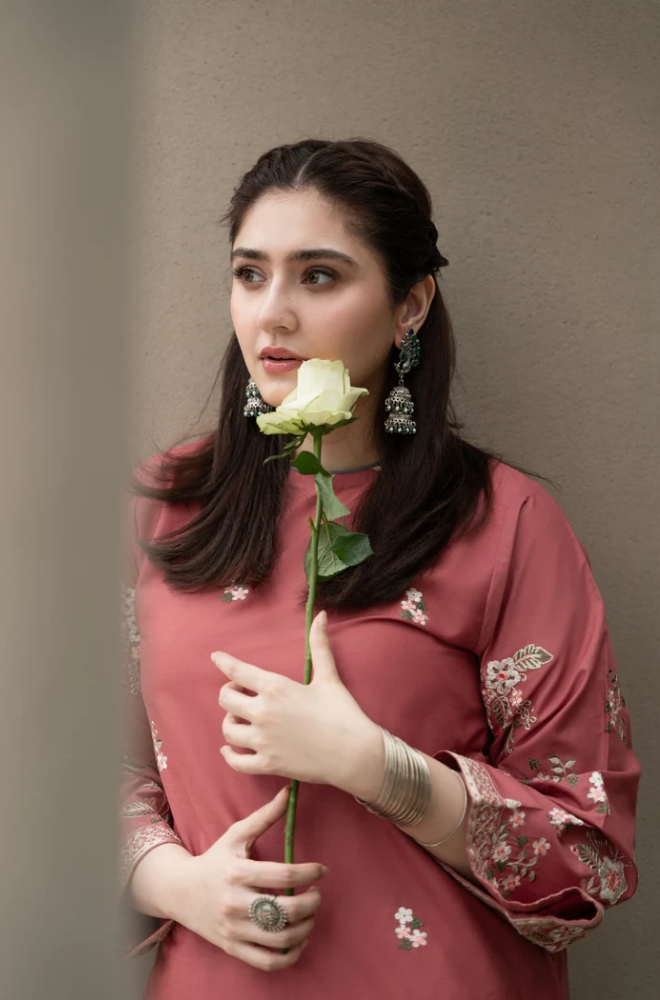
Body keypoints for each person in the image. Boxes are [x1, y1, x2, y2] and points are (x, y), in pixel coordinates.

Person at [120, 138, 640, 1000]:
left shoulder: (503, 524)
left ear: (410, 305)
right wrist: (173, 882)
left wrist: (377, 767)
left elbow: (589, 862)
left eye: (319, 276)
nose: (272, 314)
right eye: (250, 274)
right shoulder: (164, 507)